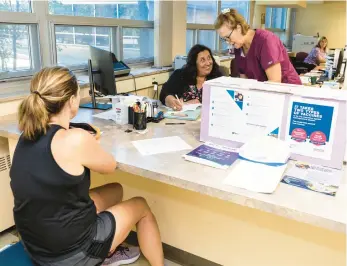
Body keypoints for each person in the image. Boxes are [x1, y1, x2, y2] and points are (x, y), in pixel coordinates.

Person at [10, 67, 164, 266]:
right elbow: (109, 166)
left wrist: (80, 136)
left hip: (36, 246)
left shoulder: (27, 134)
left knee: (116, 190)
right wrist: (88, 142)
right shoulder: (75, 139)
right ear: (72, 100)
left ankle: (108, 253)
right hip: (70, 255)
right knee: (141, 205)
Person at [214, 8, 302, 85]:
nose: (228, 42)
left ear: (238, 27)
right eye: (224, 39)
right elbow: (244, 81)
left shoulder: (266, 41)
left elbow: (275, 82)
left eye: (228, 37)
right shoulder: (239, 47)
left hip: (287, 90)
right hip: (264, 92)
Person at [160, 44, 222, 111]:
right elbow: (165, 92)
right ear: (194, 63)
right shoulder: (180, 75)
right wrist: (170, 100)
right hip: (183, 118)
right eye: (202, 60)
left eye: (209, 58)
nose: (208, 63)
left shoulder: (218, 78)